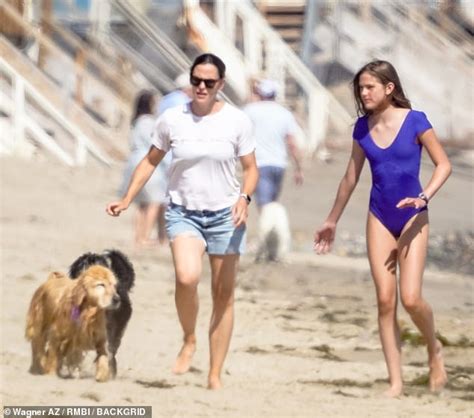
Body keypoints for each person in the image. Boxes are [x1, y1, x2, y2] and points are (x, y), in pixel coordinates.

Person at [106, 53, 259, 389]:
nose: (201, 87)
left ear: (220, 84)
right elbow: (149, 161)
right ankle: (189, 338)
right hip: (184, 211)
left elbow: (251, 169)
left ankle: (215, 373)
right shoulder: (172, 119)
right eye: (196, 81)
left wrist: (244, 198)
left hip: (225, 216)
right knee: (187, 278)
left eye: (209, 82)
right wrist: (127, 198)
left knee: (224, 294)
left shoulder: (237, 121)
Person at [313, 60, 450, 397]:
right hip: (379, 216)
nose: (363, 93)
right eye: (360, 87)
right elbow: (350, 178)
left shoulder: (416, 121)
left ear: (389, 88)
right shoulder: (361, 128)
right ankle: (395, 382)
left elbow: (443, 165)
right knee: (386, 301)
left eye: (369, 87)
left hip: (413, 216)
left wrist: (424, 197)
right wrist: (331, 220)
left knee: (411, 298)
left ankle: (434, 350)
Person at [243, 79, 304, 208]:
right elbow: (292, 143)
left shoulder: (250, 110)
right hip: (279, 164)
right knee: (272, 202)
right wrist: (298, 168)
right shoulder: (285, 113)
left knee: (265, 204)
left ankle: (271, 227)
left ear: (260, 93)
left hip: (259, 163)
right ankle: (272, 226)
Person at [119, 90, 165, 248]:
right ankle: (145, 236)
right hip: (147, 160)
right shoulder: (149, 122)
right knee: (154, 201)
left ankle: (138, 237)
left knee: (141, 203)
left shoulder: (136, 121)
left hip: (133, 160)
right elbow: (155, 142)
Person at [153, 73, 193, 245]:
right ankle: (172, 233)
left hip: (162, 152)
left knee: (163, 197)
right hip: (176, 154)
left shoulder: (166, 100)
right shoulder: (182, 102)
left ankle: (161, 234)